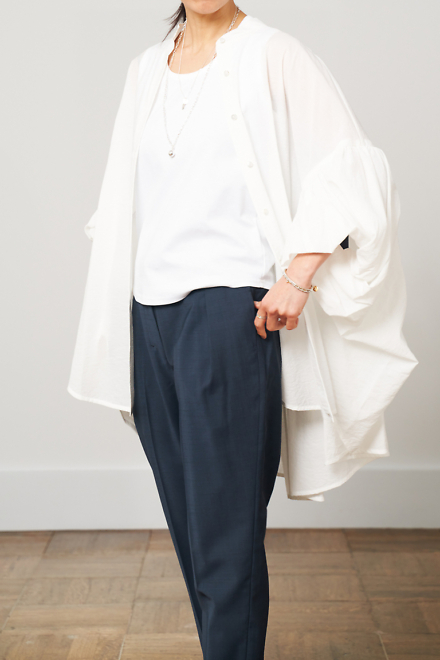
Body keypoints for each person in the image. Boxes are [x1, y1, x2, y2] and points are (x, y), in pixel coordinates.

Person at [67, 2, 418, 658]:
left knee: (225, 533)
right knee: (192, 531)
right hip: (147, 317)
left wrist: (299, 275)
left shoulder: (273, 54)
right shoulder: (145, 70)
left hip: (228, 315)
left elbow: (351, 167)